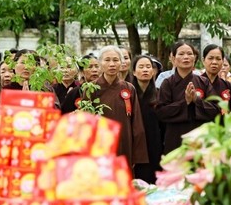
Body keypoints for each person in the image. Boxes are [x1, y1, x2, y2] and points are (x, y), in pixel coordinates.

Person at [156, 41, 220, 154]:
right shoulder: (167, 83)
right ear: (173, 58)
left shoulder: (203, 82)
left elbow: (215, 110)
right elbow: (161, 112)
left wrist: (197, 100)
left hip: (199, 137)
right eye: (181, 54)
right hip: (175, 137)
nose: (186, 57)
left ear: (194, 58)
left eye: (189, 54)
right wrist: (184, 102)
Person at [92, 46, 148, 169]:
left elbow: (136, 123)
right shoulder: (91, 88)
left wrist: (136, 155)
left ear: (121, 63)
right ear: (100, 63)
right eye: (107, 60)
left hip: (124, 141)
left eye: (116, 60)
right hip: (99, 143)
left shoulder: (128, 88)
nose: (112, 64)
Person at [131, 55, 163, 184]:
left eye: (148, 67)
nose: (145, 70)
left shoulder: (160, 93)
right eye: (141, 67)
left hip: (155, 145)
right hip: (137, 145)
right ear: (133, 72)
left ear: (153, 71)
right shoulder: (129, 94)